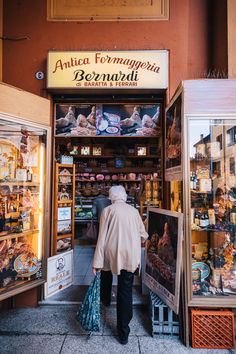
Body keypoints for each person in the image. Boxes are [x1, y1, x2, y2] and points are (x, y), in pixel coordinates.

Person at [92, 185, 148, 345]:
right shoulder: (134, 211)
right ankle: (123, 333)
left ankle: (106, 300)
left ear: (111, 197)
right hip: (130, 255)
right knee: (125, 292)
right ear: (124, 196)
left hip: (111, 253)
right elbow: (143, 235)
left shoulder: (107, 211)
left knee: (106, 272)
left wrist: (97, 262)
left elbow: (101, 238)